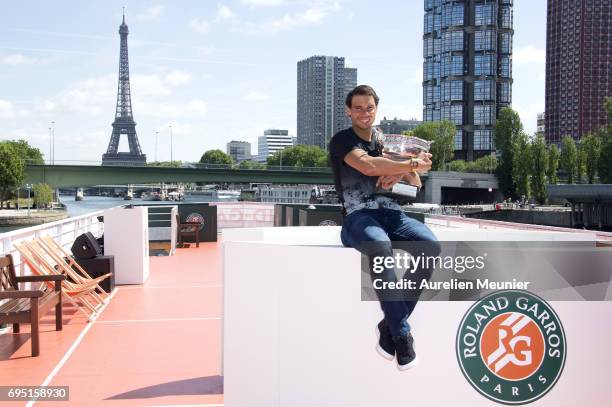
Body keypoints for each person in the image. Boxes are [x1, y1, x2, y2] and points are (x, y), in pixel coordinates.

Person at [329, 85, 441, 371]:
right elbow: (367, 166)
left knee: (431, 247)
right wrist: (411, 163)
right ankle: (402, 335)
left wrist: (406, 170)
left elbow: (415, 184)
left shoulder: (386, 141)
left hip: (393, 214)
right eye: (358, 108)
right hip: (359, 217)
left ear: (376, 108)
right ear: (348, 111)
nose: (364, 113)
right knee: (381, 248)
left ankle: (389, 325)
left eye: (369, 107)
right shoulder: (342, 140)